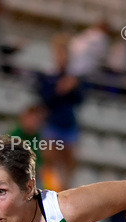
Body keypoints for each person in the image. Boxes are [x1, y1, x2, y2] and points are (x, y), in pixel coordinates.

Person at [37, 35, 83, 192]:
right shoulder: (48, 76)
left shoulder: (73, 78)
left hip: (68, 124)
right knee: (50, 160)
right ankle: (50, 189)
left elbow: (79, 99)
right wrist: (60, 89)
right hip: (52, 123)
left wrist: (73, 87)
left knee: (68, 163)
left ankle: (64, 191)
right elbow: (45, 98)